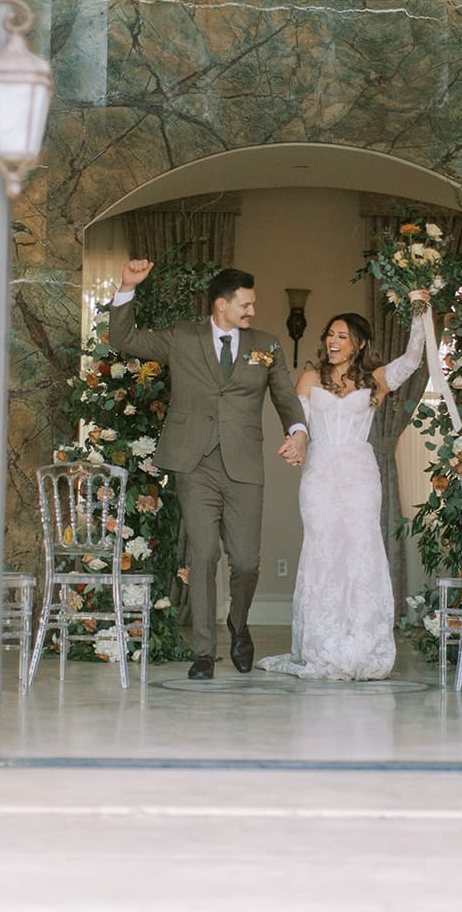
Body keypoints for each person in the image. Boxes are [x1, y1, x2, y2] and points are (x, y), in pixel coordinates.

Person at [108, 260, 308, 680]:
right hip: (193, 463)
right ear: (221, 305)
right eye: (246, 305)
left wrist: (298, 431)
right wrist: (127, 286)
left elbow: (287, 397)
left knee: (247, 562)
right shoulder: (182, 337)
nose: (252, 311)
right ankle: (202, 651)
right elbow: (123, 338)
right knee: (202, 555)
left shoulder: (266, 344)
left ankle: (238, 623)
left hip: (244, 465)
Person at [259, 295, 429, 681]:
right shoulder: (309, 378)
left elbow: (413, 359)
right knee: (322, 551)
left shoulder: (376, 380)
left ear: (359, 344)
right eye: (330, 334)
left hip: (359, 475)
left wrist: (420, 312)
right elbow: (296, 422)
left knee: (361, 552)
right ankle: (322, 646)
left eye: (343, 336)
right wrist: (294, 442)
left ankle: (361, 644)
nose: (333, 341)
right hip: (320, 474)